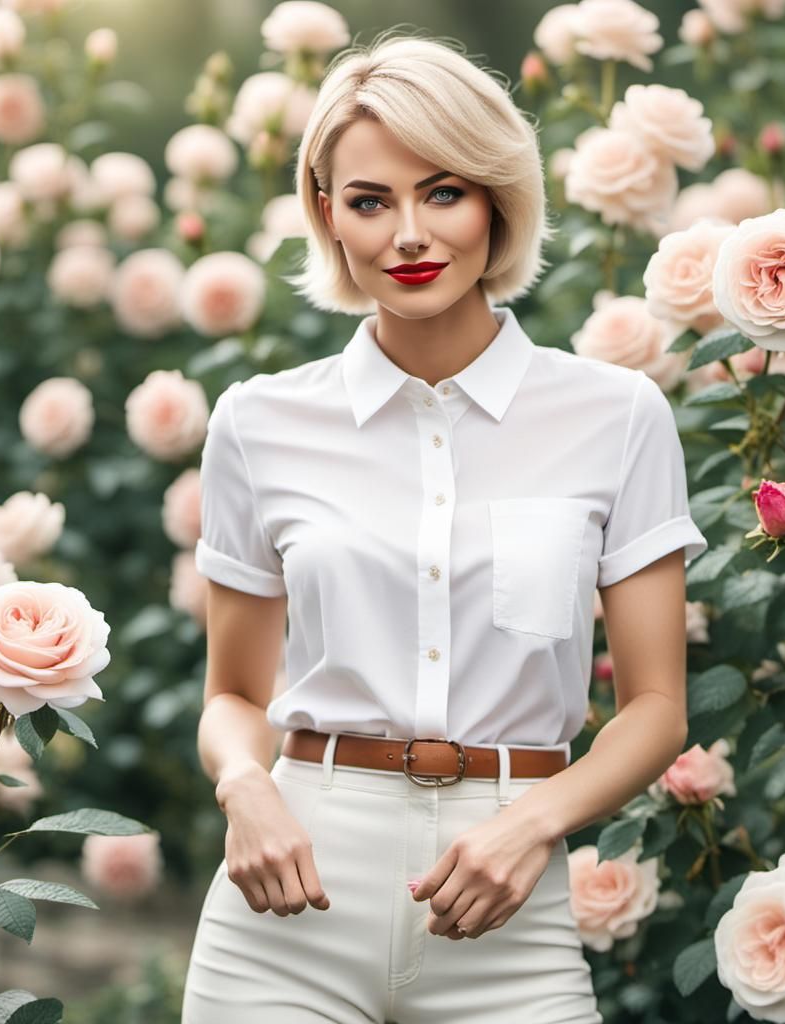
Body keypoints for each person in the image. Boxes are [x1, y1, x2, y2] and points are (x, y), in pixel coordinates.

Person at [181, 29, 708, 1024]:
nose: (409, 235)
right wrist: (245, 783)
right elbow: (234, 695)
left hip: (511, 909)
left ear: (496, 201)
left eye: (444, 192)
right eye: (370, 201)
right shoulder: (259, 421)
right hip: (287, 912)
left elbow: (654, 706)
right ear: (328, 215)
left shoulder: (617, 416)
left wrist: (533, 821)